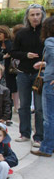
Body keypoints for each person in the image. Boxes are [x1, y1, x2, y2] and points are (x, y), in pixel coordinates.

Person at [11, 4, 46, 146]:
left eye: (38, 14)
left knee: (39, 107)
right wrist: (26, 55)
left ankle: (38, 136)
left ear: (42, 15)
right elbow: (13, 52)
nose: (35, 17)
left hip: (41, 74)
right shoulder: (21, 33)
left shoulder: (47, 33)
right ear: (28, 17)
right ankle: (24, 133)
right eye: (32, 15)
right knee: (23, 105)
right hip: (24, 73)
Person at [32, 15, 54, 157]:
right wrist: (45, 64)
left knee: (49, 117)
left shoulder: (50, 40)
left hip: (50, 82)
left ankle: (46, 148)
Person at [0, 25, 18, 114]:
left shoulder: (10, 42)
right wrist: (2, 56)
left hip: (8, 71)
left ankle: (7, 114)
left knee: (7, 92)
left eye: (0, 34)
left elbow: (12, 52)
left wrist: (6, 42)